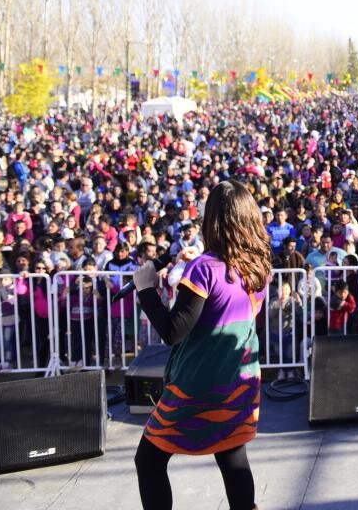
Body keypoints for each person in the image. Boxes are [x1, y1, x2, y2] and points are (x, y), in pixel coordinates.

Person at [131, 179, 271, 510]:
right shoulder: (259, 265)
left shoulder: (204, 270)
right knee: (233, 456)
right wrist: (194, 265)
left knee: (148, 460)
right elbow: (220, 305)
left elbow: (173, 331)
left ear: (212, 220)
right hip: (239, 382)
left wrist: (145, 288)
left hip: (198, 387)